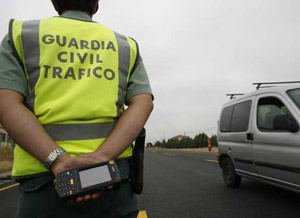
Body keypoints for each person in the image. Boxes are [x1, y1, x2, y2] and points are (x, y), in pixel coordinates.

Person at [0, 0, 154, 217]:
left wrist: (58, 160)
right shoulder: (124, 45)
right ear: (96, 4)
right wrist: (102, 158)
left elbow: (6, 102)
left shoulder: (21, 35)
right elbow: (143, 102)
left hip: (44, 182)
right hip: (111, 177)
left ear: (54, 2)